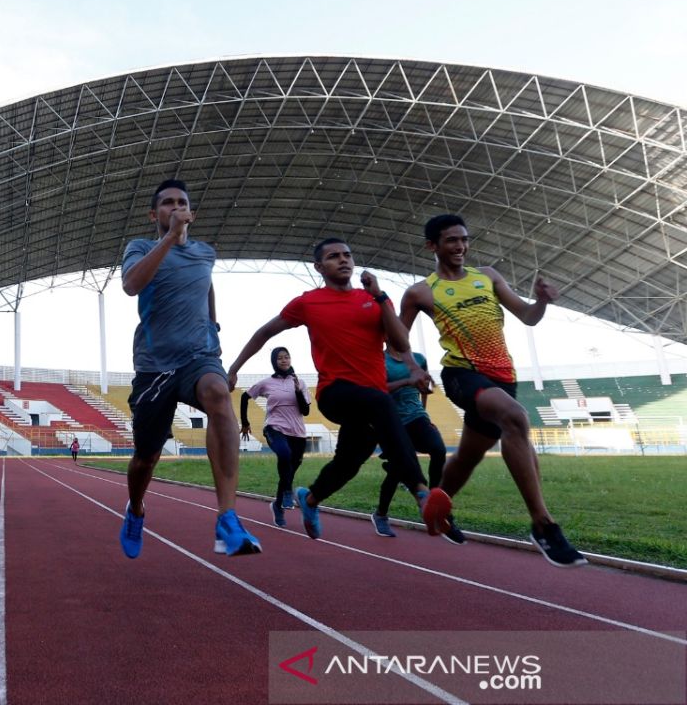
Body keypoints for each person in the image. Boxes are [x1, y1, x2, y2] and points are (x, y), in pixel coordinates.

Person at [400, 214, 587, 567]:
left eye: (464, 239)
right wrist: (413, 367)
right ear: (432, 246)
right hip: (461, 373)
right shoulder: (421, 292)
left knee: (468, 456)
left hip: (502, 376)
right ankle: (543, 525)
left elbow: (527, 317)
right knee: (515, 419)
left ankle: (438, 509)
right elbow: (398, 339)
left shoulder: (487, 276)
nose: (460, 246)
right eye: (452, 240)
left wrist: (542, 301)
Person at [227, 239, 440, 541]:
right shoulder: (308, 302)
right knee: (381, 402)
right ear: (319, 267)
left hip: (371, 397)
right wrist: (234, 368)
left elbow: (400, 342)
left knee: (350, 461)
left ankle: (310, 499)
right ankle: (421, 492)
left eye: (347, 255)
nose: (343, 260)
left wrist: (379, 297)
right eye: (333, 256)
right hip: (335, 393)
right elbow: (265, 332)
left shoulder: (375, 299)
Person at [118, 179, 261, 559]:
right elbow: (132, 285)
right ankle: (135, 508)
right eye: (167, 203)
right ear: (155, 214)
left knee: (217, 392)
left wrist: (213, 325)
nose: (176, 207)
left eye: (182, 203)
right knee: (146, 457)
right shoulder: (141, 248)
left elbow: (206, 285)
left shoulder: (205, 253)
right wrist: (170, 239)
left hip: (199, 356)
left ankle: (227, 516)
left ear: (191, 211)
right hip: (154, 366)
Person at [372, 347, 466, 544]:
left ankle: (437, 509)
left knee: (439, 450)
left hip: (417, 417)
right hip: (392, 421)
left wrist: (423, 408)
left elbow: (424, 385)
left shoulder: (418, 359)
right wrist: (407, 381)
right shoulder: (379, 358)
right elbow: (378, 389)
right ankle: (380, 514)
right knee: (399, 470)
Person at [239, 347, 311, 528]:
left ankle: (277, 505)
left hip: (298, 433)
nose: (284, 360)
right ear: (274, 361)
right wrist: (245, 423)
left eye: (287, 357)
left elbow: (306, 411)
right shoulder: (266, 383)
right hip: (274, 427)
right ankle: (287, 492)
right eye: (280, 358)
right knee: (284, 455)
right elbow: (244, 397)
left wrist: (297, 391)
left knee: (289, 472)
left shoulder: (300, 383)